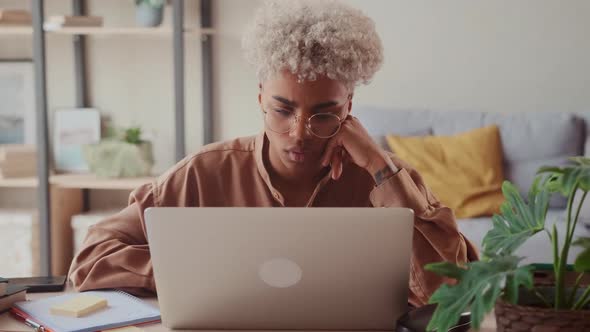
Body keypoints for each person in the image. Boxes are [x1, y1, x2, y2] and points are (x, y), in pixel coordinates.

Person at [69, 0, 477, 307]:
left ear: (349, 106)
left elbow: (456, 291)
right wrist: (186, 276)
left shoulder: (388, 178)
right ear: (261, 97)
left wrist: (378, 166)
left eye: (324, 114)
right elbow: (89, 259)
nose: (298, 134)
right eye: (283, 110)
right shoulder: (203, 174)